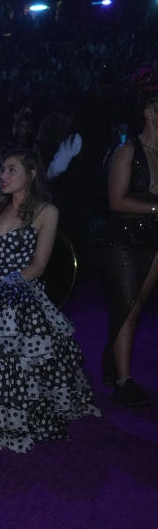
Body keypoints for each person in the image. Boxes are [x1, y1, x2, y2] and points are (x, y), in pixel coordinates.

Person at [0, 149, 99, 452]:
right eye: (2, 170)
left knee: (19, 360)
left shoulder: (47, 211)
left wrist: (5, 286)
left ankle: (19, 419)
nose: (3, 176)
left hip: (20, 296)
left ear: (31, 174)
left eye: (11, 170)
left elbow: (39, 265)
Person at [102, 69, 158, 407]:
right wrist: (155, 210)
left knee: (136, 308)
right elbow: (116, 200)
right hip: (123, 239)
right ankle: (123, 381)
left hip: (153, 241)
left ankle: (118, 368)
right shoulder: (128, 151)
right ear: (150, 112)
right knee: (124, 306)